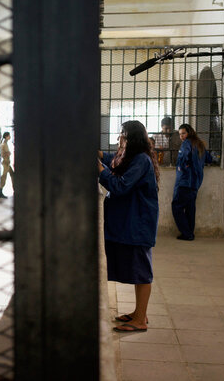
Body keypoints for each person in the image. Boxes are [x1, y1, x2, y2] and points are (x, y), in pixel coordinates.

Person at [98, 120, 159, 332]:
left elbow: (121, 185)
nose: (119, 139)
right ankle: (138, 313)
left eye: (122, 135)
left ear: (131, 138)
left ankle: (140, 320)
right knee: (137, 270)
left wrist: (100, 170)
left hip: (138, 224)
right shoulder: (133, 157)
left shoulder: (141, 160)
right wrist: (100, 156)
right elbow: (115, 161)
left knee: (142, 272)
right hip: (131, 223)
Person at [171, 123, 212, 241]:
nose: (181, 136)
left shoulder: (186, 144)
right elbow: (209, 159)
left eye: (183, 133)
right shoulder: (199, 144)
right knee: (190, 208)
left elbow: (182, 158)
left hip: (185, 181)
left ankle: (187, 233)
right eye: (180, 134)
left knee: (176, 206)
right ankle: (189, 233)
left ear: (189, 132)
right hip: (196, 183)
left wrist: (182, 167)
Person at [0, 131, 14, 199]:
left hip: (8, 163)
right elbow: (2, 154)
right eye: (9, 135)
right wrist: (7, 153)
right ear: (6, 136)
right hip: (5, 163)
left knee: (13, 175)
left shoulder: (6, 144)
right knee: (4, 177)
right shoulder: (3, 144)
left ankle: (15, 190)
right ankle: (0, 192)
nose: (10, 137)